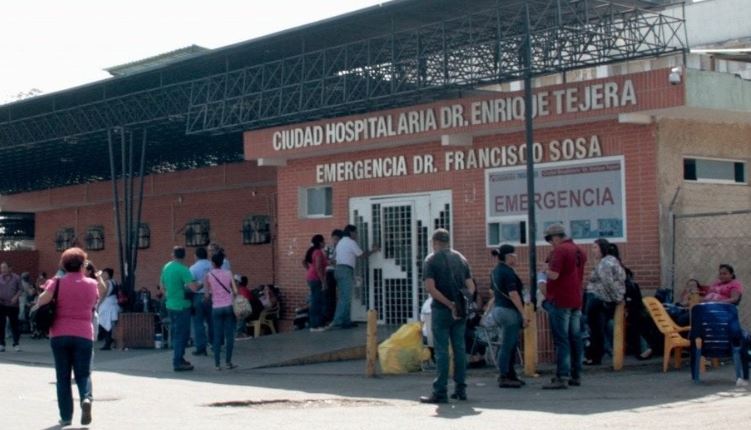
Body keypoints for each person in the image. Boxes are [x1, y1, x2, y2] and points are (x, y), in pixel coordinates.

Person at [31, 247, 103, 427]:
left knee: (62, 377)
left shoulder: (57, 282)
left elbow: (41, 301)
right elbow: (96, 299)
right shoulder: (91, 284)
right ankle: (86, 398)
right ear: (83, 264)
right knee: (83, 374)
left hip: (59, 334)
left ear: (63, 264)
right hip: (84, 334)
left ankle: (66, 417)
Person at [419, 228, 475, 404]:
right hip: (460, 311)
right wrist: (461, 303)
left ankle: (440, 391)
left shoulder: (431, 260)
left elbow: (431, 288)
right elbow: (471, 286)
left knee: (442, 351)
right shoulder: (461, 258)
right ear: (448, 241)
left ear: (434, 242)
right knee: (459, 349)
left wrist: (449, 304)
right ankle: (461, 389)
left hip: (442, 310)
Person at [541, 224, 587, 390]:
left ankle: (562, 375)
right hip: (576, 299)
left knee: (562, 339)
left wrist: (545, 270)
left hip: (561, 299)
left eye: (550, 240)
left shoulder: (560, 250)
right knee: (575, 338)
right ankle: (576, 374)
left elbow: (554, 274)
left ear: (555, 237)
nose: (550, 243)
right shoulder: (579, 250)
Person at [490, 244, 529, 388]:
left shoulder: (495, 271)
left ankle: (511, 374)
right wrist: (523, 313)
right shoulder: (508, 272)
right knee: (508, 344)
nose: (516, 258)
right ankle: (504, 375)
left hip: (499, 309)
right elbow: (513, 294)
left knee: (510, 344)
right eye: (514, 255)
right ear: (508, 257)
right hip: (509, 311)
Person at [583, 239, 626, 365]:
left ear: (602, 248)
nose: (593, 251)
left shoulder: (605, 263)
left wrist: (617, 297)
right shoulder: (611, 261)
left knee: (596, 329)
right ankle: (596, 355)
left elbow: (608, 282)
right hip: (602, 299)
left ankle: (595, 356)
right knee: (598, 329)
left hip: (598, 298)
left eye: (595, 248)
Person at [330, 225, 379, 330]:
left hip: (339, 270)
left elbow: (333, 258)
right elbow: (361, 255)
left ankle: (344, 321)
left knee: (343, 297)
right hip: (345, 270)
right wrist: (373, 250)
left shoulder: (341, 242)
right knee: (346, 297)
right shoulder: (350, 242)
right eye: (355, 232)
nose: (356, 235)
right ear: (351, 233)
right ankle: (339, 321)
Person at [160, 246, 198, 372]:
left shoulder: (166, 267)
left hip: (170, 304)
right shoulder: (183, 269)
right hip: (182, 305)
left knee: (177, 333)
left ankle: (180, 358)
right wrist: (201, 283)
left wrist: (169, 295)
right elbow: (193, 288)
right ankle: (177, 361)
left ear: (173, 255)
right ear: (184, 256)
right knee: (182, 335)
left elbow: (162, 286)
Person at [204, 252, 238, 370]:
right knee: (229, 336)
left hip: (216, 308)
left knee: (217, 336)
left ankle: (217, 364)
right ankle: (228, 362)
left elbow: (207, 295)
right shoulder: (228, 273)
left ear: (213, 263)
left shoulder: (208, 275)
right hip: (228, 306)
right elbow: (235, 291)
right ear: (222, 262)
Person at [189, 247, 213, 356]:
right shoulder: (212, 266)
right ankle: (214, 344)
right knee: (212, 321)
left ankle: (201, 347)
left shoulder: (193, 268)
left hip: (198, 297)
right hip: (212, 296)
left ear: (196, 256)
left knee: (198, 323)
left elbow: (190, 285)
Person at [304, 234, 328, 332]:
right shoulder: (318, 252)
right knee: (316, 301)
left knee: (317, 300)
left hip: (311, 277)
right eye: (323, 241)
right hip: (316, 279)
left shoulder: (312, 251)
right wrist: (323, 282)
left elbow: (304, 262)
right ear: (320, 242)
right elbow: (318, 267)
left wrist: (309, 269)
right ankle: (315, 325)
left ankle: (317, 323)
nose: (325, 243)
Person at [0, 262, 23, 352]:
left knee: (14, 325)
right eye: (1, 268)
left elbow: (20, 289)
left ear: (10, 268)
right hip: (1, 304)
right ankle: (2, 344)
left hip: (13, 305)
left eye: (4, 268)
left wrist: (16, 297)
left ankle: (16, 343)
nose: (3, 270)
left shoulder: (16, 278)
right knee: (1, 324)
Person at [97, 268, 120, 350]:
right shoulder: (114, 282)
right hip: (114, 303)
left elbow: (104, 294)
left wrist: (99, 304)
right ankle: (109, 341)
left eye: (104, 274)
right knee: (110, 324)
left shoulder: (106, 283)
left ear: (108, 274)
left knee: (105, 323)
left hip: (106, 304)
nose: (103, 275)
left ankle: (107, 343)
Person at [323, 229, 342, 325]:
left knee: (340, 295)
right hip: (329, 272)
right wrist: (330, 261)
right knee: (330, 295)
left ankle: (337, 315)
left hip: (338, 271)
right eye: (334, 239)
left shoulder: (342, 248)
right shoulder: (328, 248)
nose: (335, 241)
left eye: (337, 239)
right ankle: (329, 316)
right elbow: (325, 259)